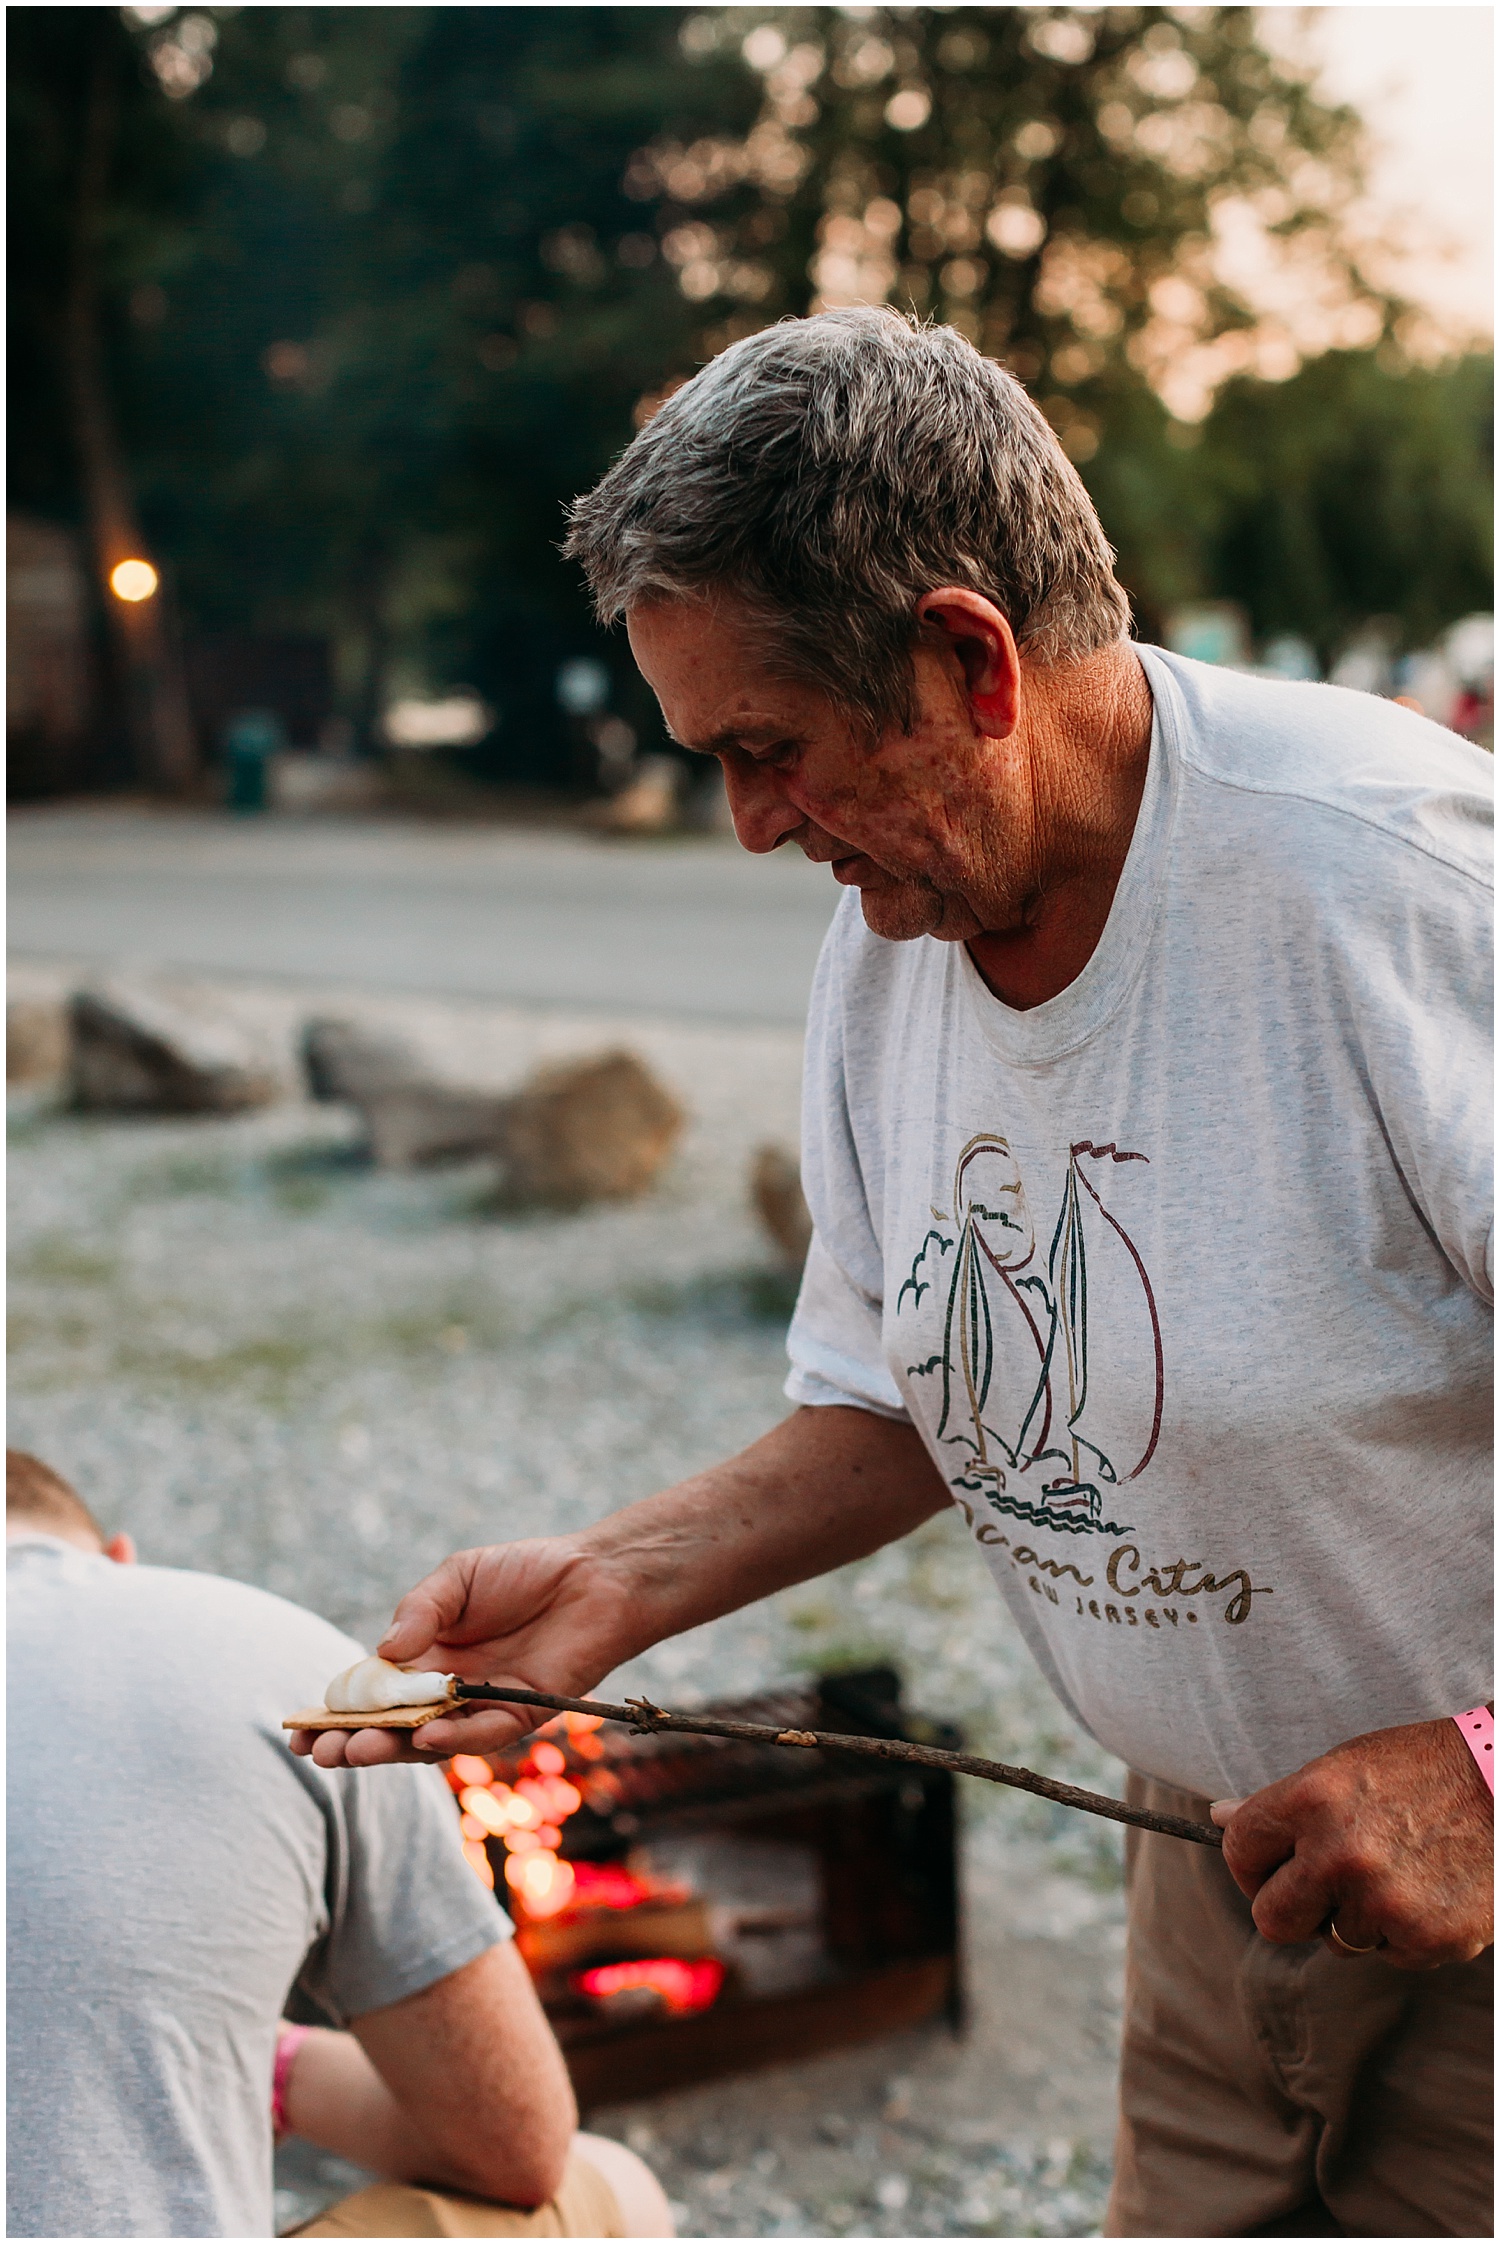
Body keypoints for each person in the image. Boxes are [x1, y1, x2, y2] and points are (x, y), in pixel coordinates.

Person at [295, 307, 1493, 2237]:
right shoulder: (899, 923)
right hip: (1210, 1877)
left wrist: (1484, 1770)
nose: (751, 820)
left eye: (768, 749)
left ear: (966, 656)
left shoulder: (1400, 887)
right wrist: (616, 1583)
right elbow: (899, 1394)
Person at [7, 1449, 670, 2240]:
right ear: (121, 1559)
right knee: (611, 2185)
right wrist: (281, 2069)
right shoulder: (280, 1658)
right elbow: (520, 2149)